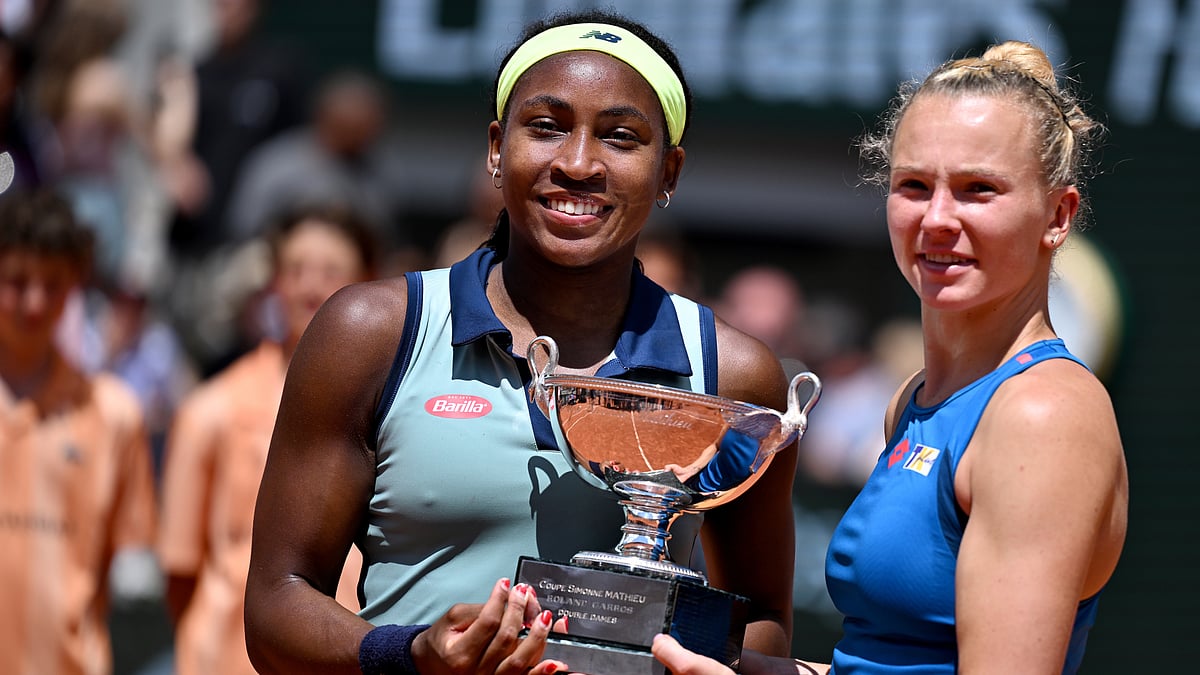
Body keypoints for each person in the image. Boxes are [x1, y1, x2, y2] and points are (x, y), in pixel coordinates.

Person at [244, 9, 797, 674]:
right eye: (546, 126)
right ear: (495, 147)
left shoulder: (733, 373)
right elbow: (276, 603)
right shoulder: (371, 332)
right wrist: (413, 654)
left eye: (621, 137)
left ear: (669, 172)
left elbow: (762, 617)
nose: (578, 162)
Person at [653, 40, 1128, 675]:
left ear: (1058, 215)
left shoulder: (1042, 414)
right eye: (913, 185)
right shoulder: (913, 398)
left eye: (977, 189)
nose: (936, 218)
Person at [157, 204, 377, 675]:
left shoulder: (395, 412)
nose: (310, 286)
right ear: (274, 282)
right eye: (295, 270)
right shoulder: (209, 410)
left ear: (369, 281)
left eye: (331, 271)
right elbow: (180, 574)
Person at [0, 187, 158, 675]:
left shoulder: (115, 413)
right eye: (16, 281)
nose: (34, 302)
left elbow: (133, 568)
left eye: (53, 283)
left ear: (75, 287)